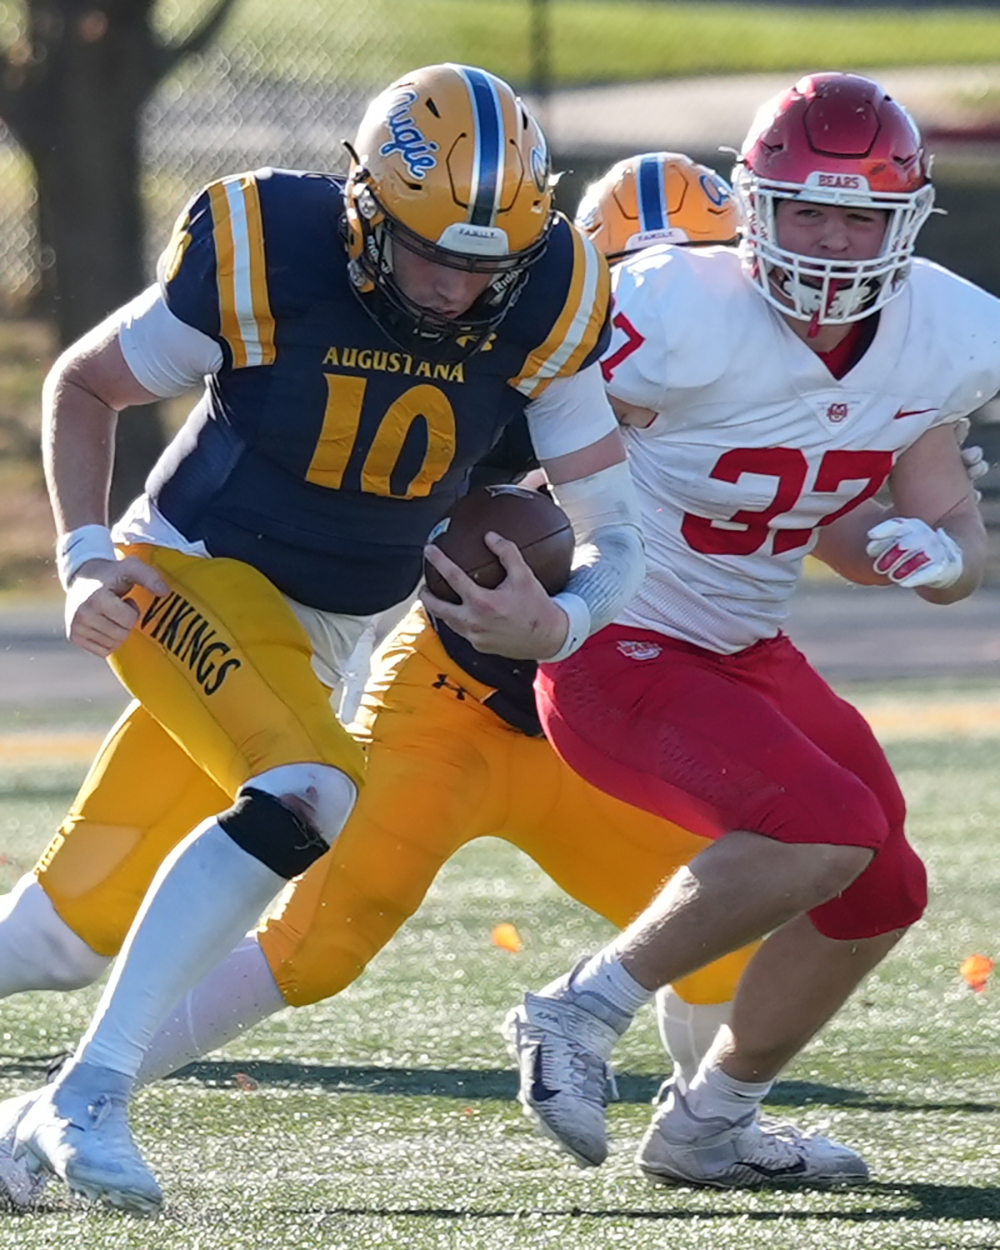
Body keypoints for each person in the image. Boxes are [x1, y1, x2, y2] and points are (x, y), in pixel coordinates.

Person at [0, 152, 744, 1211]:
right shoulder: (274, 249)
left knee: (62, 934)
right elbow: (86, 382)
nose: (453, 286)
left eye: (484, 266)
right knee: (309, 788)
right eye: (430, 252)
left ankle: (27, 1123)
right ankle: (88, 1094)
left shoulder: (551, 297)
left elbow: (610, 531)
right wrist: (81, 555)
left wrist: (564, 616)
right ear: (366, 215)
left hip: (325, 639)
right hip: (187, 573)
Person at [504, 72, 1000, 1189]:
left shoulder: (945, 333)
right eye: (807, 211)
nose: (831, 242)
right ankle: (576, 1011)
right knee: (826, 828)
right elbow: (525, 454)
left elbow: (942, 531)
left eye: (860, 218)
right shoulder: (673, 309)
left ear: (907, 220)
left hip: (745, 648)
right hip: (617, 638)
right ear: (753, 208)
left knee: (885, 885)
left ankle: (710, 1122)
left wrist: (936, 557)